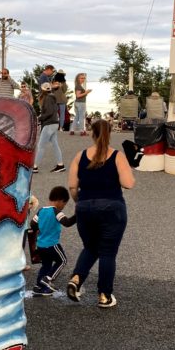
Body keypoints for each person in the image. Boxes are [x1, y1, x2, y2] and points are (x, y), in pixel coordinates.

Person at [65, 118, 135, 309]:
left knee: (91, 247)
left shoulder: (80, 156)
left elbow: (72, 186)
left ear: (91, 133)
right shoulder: (117, 156)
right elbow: (128, 183)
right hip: (112, 208)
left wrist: (80, 203)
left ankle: (76, 279)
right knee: (107, 252)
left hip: (85, 208)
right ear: (110, 134)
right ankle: (104, 295)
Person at [28, 185, 76, 296]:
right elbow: (67, 223)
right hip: (52, 245)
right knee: (62, 261)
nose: (63, 207)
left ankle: (39, 287)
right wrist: (78, 215)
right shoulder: (56, 212)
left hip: (41, 245)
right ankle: (48, 279)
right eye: (64, 204)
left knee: (46, 265)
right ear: (60, 200)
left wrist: (41, 229)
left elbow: (33, 224)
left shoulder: (41, 211)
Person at [33, 83, 65, 174]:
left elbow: (49, 112)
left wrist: (39, 118)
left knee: (41, 146)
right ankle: (60, 165)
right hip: (54, 123)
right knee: (55, 145)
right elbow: (51, 112)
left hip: (49, 124)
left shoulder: (48, 98)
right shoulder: (52, 97)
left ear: (42, 90)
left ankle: (34, 167)